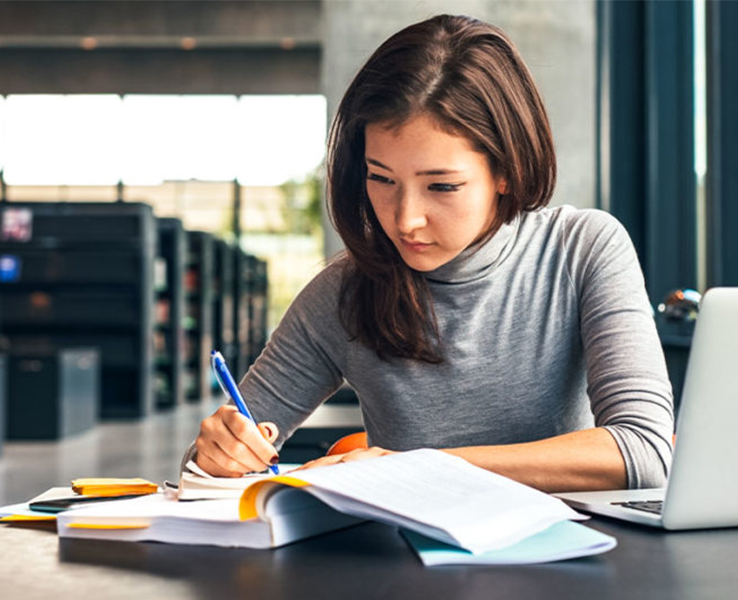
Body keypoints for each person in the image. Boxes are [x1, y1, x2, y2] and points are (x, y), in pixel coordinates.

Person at [190, 14, 673, 493]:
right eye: (381, 178)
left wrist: (412, 467)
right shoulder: (341, 293)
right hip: (408, 566)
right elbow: (206, 470)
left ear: (506, 170)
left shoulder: (581, 249)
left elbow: (644, 452)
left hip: (573, 560)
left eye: (441, 185)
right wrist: (217, 455)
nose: (405, 220)